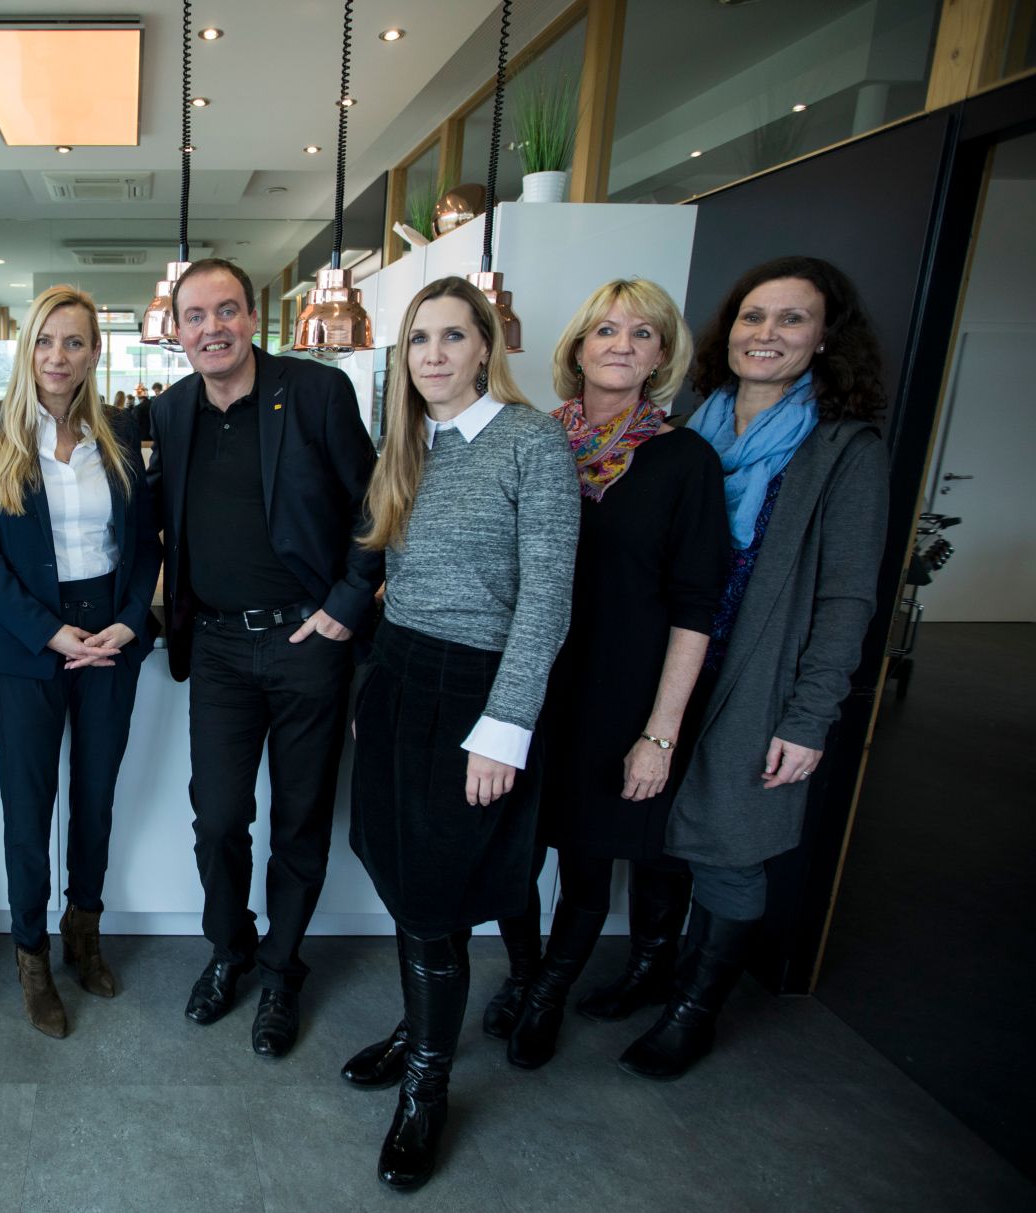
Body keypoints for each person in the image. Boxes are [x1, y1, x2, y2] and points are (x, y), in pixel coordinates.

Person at [619, 255, 888, 1080]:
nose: (765, 334)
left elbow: (847, 597)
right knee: (656, 827)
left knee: (729, 843)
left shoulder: (843, 449)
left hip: (759, 672)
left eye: (791, 319)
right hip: (673, 662)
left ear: (824, 339)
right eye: (751, 317)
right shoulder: (693, 428)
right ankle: (650, 967)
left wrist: (808, 718)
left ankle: (695, 1010)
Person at [340, 276, 578, 1190]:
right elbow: (399, 581)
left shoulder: (531, 442)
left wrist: (505, 728)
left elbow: (547, 601)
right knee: (398, 870)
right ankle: (419, 1025)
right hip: (402, 679)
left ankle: (427, 1088)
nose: (433, 355)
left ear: (486, 346)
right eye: (418, 340)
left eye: (451, 337)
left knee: (438, 894)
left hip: (480, 697)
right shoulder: (408, 445)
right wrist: (373, 684)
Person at [478, 279, 728, 1070]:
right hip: (528, 684)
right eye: (607, 330)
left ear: (663, 355)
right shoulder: (534, 439)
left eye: (644, 333)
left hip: (620, 695)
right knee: (510, 848)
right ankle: (522, 970)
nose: (623, 344)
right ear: (578, 346)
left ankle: (549, 991)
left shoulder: (684, 459)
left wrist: (660, 732)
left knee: (587, 857)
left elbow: (697, 607)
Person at [146, 258, 379, 1058]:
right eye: (194, 315)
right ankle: (230, 948)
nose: (211, 328)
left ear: (254, 319)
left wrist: (346, 607)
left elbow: (375, 505)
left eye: (226, 311)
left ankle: (282, 969)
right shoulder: (172, 411)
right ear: (176, 330)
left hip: (305, 643)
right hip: (214, 644)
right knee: (217, 817)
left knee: (300, 819)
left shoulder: (314, 393)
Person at [0, 286, 162, 1037]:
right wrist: (48, 631)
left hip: (108, 637)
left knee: (96, 795)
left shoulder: (119, 430)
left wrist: (128, 623)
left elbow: (144, 547)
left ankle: (84, 929)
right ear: (26, 349)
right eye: (45, 341)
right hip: (24, 643)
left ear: (94, 353)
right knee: (27, 805)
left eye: (74, 342)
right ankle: (31, 955)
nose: (58, 357)